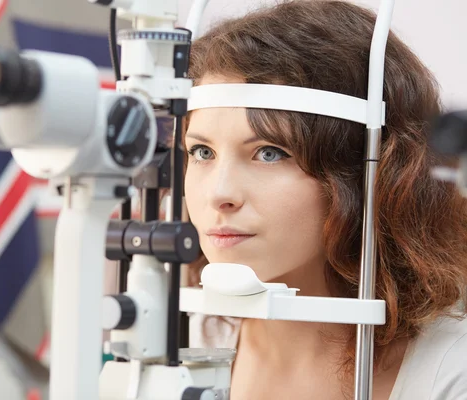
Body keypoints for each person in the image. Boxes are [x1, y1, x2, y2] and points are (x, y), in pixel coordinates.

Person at [184, 1, 467, 399]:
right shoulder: (185, 343)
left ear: (368, 172)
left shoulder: (450, 372)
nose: (220, 194)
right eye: (202, 153)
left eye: (270, 152)